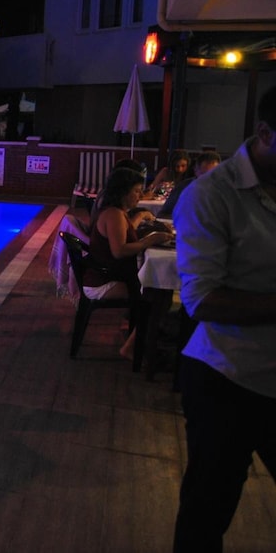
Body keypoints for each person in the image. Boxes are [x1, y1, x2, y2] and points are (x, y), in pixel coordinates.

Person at [172, 86, 276, 552]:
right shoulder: (212, 195)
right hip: (226, 379)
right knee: (206, 514)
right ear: (265, 133)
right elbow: (202, 300)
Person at [83, 167, 172, 358]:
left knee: (160, 291)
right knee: (157, 295)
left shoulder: (116, 212)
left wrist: (140, 217)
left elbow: (124, 231)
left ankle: (146, 337)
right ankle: (132, 346)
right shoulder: (114, 215)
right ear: (123, 192)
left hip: (106, 274)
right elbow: (119, 251)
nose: (140, 195)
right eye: (136, 191)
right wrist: (150, 240)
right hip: (103, 282)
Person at [158, 151, 221, 219]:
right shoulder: (183, 188)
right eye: (204, 175)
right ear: (196, 171)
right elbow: (163, 214)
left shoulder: (224, 191)